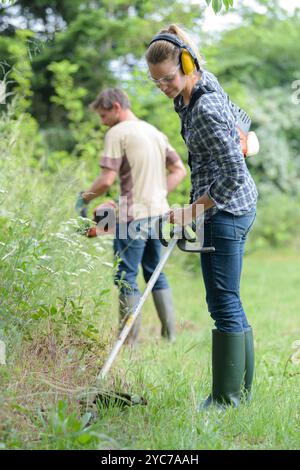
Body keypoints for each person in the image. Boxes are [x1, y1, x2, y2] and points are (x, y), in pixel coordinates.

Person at [146, 25, 258, 408]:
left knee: (222, 302)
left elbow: (234, 174)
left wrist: (191, 211)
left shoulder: (205, 107)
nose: (163, 86)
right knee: (229, 300)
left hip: (227, 210)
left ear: (187, 63)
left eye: (168, 78)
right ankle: (240, 394)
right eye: (156, 81)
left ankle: (226, 399)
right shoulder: (194, 89)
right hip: (234, 206)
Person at [76, 87, 186, 344]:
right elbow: (179, 170)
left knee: (126, 275)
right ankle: (169, 337)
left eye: (103, 116)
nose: (103, 122)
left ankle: (128, 343)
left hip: (131, 218)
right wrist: (158, 194)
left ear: (116, 107)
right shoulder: (155, 132)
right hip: (159, 214)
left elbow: (106, 180)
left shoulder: (117, 133)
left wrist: (84, 198)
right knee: (154, 272)